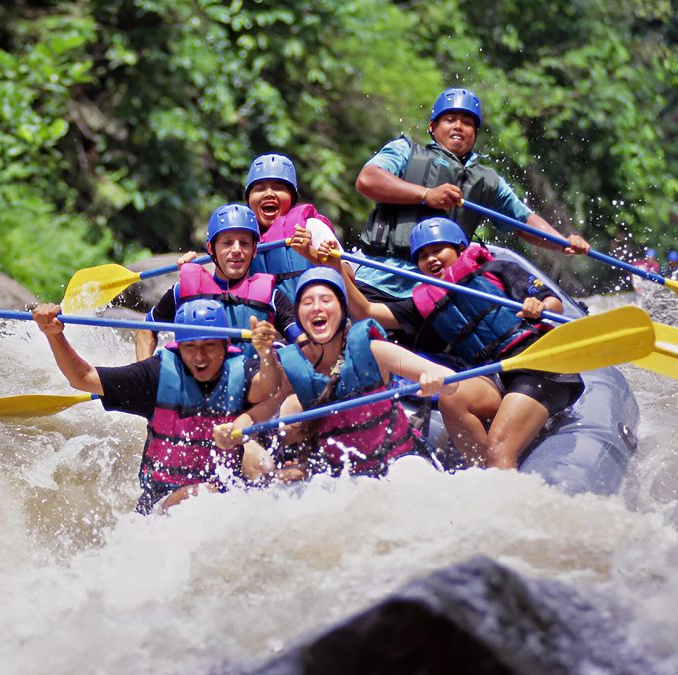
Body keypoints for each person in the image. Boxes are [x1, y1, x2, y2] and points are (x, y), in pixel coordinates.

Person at [301, 217, 584, 470]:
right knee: (452, 395)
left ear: (460, 248)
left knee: (499, 448)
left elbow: (553, 302)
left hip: (538, 363)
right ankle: (487, 471)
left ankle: (499, 465)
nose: (431, 259)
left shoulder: (497, 269)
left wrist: (539, 306)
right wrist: (336, 267)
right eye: (423, 256)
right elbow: (367, 311)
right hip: (497, 376)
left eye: (438, 250)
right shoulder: (425, 304)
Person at [33, 297, 283, 515]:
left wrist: (266, 354)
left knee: (265, 471)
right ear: (178, 347)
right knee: (205, 492)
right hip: (160, 504)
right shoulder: (156, 375)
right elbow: (83, 378)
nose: (200, 357)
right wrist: (54, 335)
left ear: (225, 346)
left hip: (223, 496)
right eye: (190, 347)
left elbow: (270, 386)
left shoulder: (240, 371)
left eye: (209, 345)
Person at [215, 267, 456, 480]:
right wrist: (233, 430)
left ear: (342, 309)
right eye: (307, 303)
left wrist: (435, 379)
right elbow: (259, 415)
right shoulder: (294, 365)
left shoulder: (373, 351)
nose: (316, 308)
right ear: (299, 315)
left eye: (325, 300)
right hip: (344, 476)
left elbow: (450, 380)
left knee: (408, 473)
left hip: (399, 461)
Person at [353, 87, 590, 300]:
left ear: (475, 133)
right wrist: (426, 195)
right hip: (383, 276)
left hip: (443, 289)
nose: (458, 126)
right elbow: (367, 179)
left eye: (467, 122)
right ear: (432, 127)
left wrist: (563, 243)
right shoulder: (404, 150)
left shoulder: (487, 180)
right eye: (450, 120)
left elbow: (524, 220)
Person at [136, 204, 301, 360]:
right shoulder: (183, 291)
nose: (236, 250)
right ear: (210, 248)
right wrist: (143, 372)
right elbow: (145, 330)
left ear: (254, 250)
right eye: (227, 243)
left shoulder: (272, 296)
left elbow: (304, 341)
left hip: (251, 376)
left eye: (244, 243)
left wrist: (277, 351)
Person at [243, 153, 338, 299]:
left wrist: (309, 252)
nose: (269, 194)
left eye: (278, 188)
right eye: (260, 189)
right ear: (249, 200)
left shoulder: (311, 227)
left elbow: (348, 275)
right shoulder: (241, 239)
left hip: (311, 310)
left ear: (292, 198)